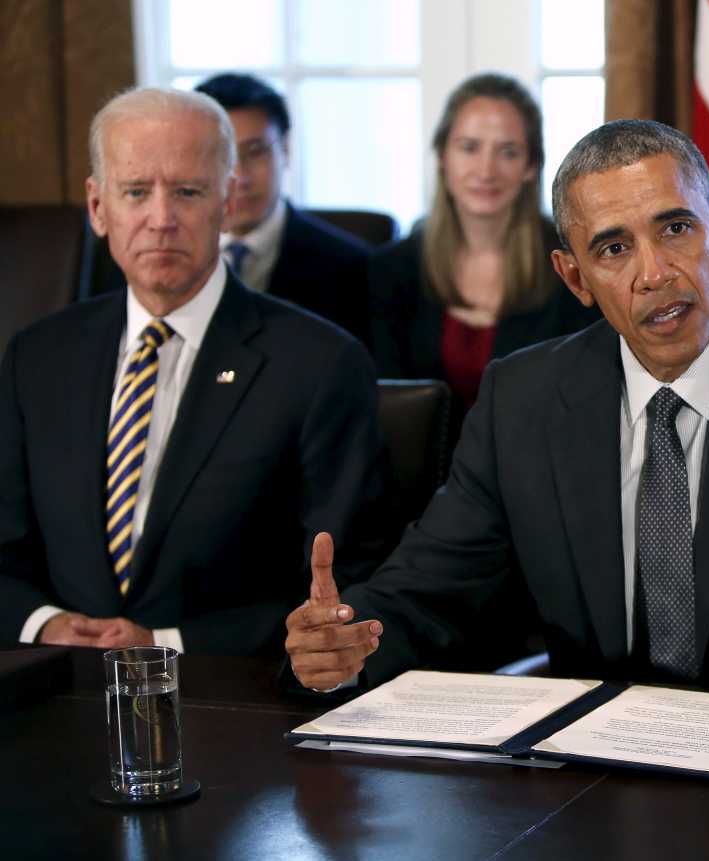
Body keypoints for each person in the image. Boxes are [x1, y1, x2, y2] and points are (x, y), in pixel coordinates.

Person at [286, 119, 709, 735]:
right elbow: (426, 592)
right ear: (575, 277)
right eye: (614, 248)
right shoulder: (523, 399)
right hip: (590, 776)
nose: (654, 273)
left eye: (676, 229)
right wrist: (344, 643)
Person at [0, 87, 392, 656]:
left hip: (227, 690)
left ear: (226, 201)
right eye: (136, 192)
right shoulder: (37, 357)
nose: (161, 220)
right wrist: (45, 624)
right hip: (61, 686)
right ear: (98, 207)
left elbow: (346, 582)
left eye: (187, 192)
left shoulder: (320, 364)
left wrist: (163, 644)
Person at [86, 74, 375, 345]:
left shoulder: (353, 267)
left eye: (255, 152)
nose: (241, 175)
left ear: (286, 149)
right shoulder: (129, 256)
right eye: (225, 158)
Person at [369, 73, 598, 413]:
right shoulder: (391, 270)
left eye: (508, 152)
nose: (486, 170)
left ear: (531, 166)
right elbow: (389, 407)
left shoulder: (573, 267)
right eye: (469, 148)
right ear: (442, 156)